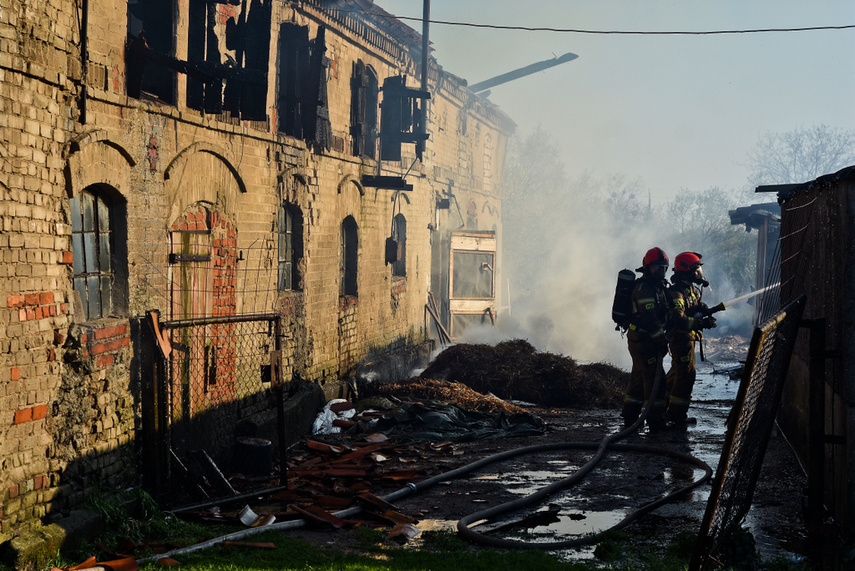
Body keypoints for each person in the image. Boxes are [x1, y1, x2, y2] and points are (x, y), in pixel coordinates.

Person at [621, 247, 671, 430]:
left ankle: (630, 417)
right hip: (643, 340)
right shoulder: (644, 288)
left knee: (638, 379)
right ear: (647, 267)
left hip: (643, 340)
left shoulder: (657, 288)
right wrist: (661, 339)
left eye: (663, 268)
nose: (660, 271)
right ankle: (656, 421)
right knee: (655, 380)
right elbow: (649, 319)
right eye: (657, 267)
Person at [665, 251, 717, 427]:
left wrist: (703, 309)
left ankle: (664, 407)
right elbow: (678, 319)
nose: (699, 273)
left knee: (675, 373)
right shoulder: (677, 292)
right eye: (696, 270)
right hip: (680, 338)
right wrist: (701, 323)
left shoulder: (691, 289)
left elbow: (693, 307)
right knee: (686, 375)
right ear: (686, 270)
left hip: (688, 338)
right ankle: (677, 414)